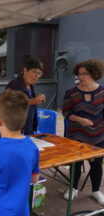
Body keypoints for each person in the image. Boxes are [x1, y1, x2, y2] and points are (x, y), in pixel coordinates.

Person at [62, 58, 104, 204]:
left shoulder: (103, 92)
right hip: (76, 135)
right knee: (76, 164)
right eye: (79, 74)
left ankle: (96, 191)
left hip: (98, 136)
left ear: (94, 74)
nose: (81, 77)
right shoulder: (71, 93)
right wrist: (79, 119)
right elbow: (66, 112)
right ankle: (73, 188)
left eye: (84, 73)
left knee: (97, 165)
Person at [6, 57, 46, 135]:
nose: (36, 76)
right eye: (34, 72)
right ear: (25, 70)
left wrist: (38, 99)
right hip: (15, 130)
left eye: (39, 73)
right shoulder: (14, 84)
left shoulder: (31, 86)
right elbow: (9, 105)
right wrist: (33, 101)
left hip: (28, 129)